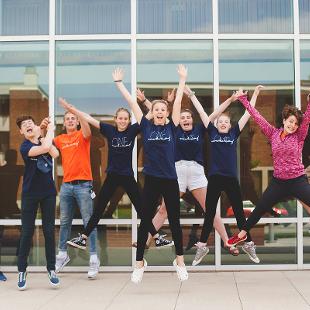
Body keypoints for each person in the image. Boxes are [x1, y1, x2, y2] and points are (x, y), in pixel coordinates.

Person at [137, 86, 240, 257]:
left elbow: (215, 114)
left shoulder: (200, 129)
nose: (184, 119)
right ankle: (146, 240)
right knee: (163, 210)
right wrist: (144, 101)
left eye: (187, 117)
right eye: (182, 117)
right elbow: (160, 112)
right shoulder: (174, 128)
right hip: (176, 172)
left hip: (196, 172)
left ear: (192, 120)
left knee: (210, 210)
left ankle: (228, 243)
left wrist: (230, 100)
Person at [60, 99, 173, 250]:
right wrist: (73, 110)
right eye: (120, 118)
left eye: (125, 118)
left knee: (142, 209)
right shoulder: (109, 130)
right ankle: (83, 238)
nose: (123, 121)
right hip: (112, 176)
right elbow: (89, 118)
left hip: (127, 176)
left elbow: (152, 114)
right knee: (99, 208)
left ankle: (157, 238)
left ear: (129, 120)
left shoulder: (133, 130)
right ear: (115, 119)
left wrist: (156, 103)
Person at [113, 65, 188, 283]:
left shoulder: (171, 127)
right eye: (156, 109)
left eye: (163, 109)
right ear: (152, 112)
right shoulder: (146, 126)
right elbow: (131, 103)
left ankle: (180, 261)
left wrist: (182, 79)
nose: (159, 112)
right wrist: (119, 84)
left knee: (174, 220)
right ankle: (139, 263)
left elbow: (179, 101)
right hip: (152, 178)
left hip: (170, 179)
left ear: (166, 113)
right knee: (145, 220)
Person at [227, 91, 310, 247]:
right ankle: (242, 235)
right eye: (290, 121)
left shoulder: (299, 136)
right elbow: (257, 117)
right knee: (260, 208)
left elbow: (307, 120)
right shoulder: (273, 133)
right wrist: (244, 100)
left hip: (298, 180)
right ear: (284, 120)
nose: (293, 125)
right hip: (279, 182)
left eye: (296, 124)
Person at [193, 86, 263, 266]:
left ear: (230, 125)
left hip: (231, 179)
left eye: (226, 121)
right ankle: (202, 245)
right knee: (209, 213)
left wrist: (254, 94)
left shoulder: (233, 133)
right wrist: (192, 96)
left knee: (240, 214)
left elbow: (249, 113)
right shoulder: (212, 132)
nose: (223, 123)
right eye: (220, 121)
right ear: (216, 124)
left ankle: (248, 243)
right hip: (215, 178)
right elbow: (202, 113)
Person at [53, 109, 99, 279]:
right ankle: (62, 255)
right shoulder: (60, 139)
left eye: (73, 118)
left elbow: (87, 131)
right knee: (65, 221)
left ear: (78, 121)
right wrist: (43, 128)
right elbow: (44, 144)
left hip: (83, 185)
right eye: (67, 119)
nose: (71, 121)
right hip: (66, 186)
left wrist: (79, 114)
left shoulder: (82, 135)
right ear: (64, 123)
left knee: (89, 222)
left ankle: (94, 258)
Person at [16, 116, 59, 290]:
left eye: (29, 123)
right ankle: (22, 270)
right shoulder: (25, 147)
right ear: (21, 132)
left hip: (48, 193)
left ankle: (51, 269)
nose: (27, 126)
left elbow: (55, 153)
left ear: (34, 128)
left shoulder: (41, 140)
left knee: (49, 232)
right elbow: (47, 148)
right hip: (29, 195)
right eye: (23, 125)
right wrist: (49, 130)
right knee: (27, 232)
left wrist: (42, 133)